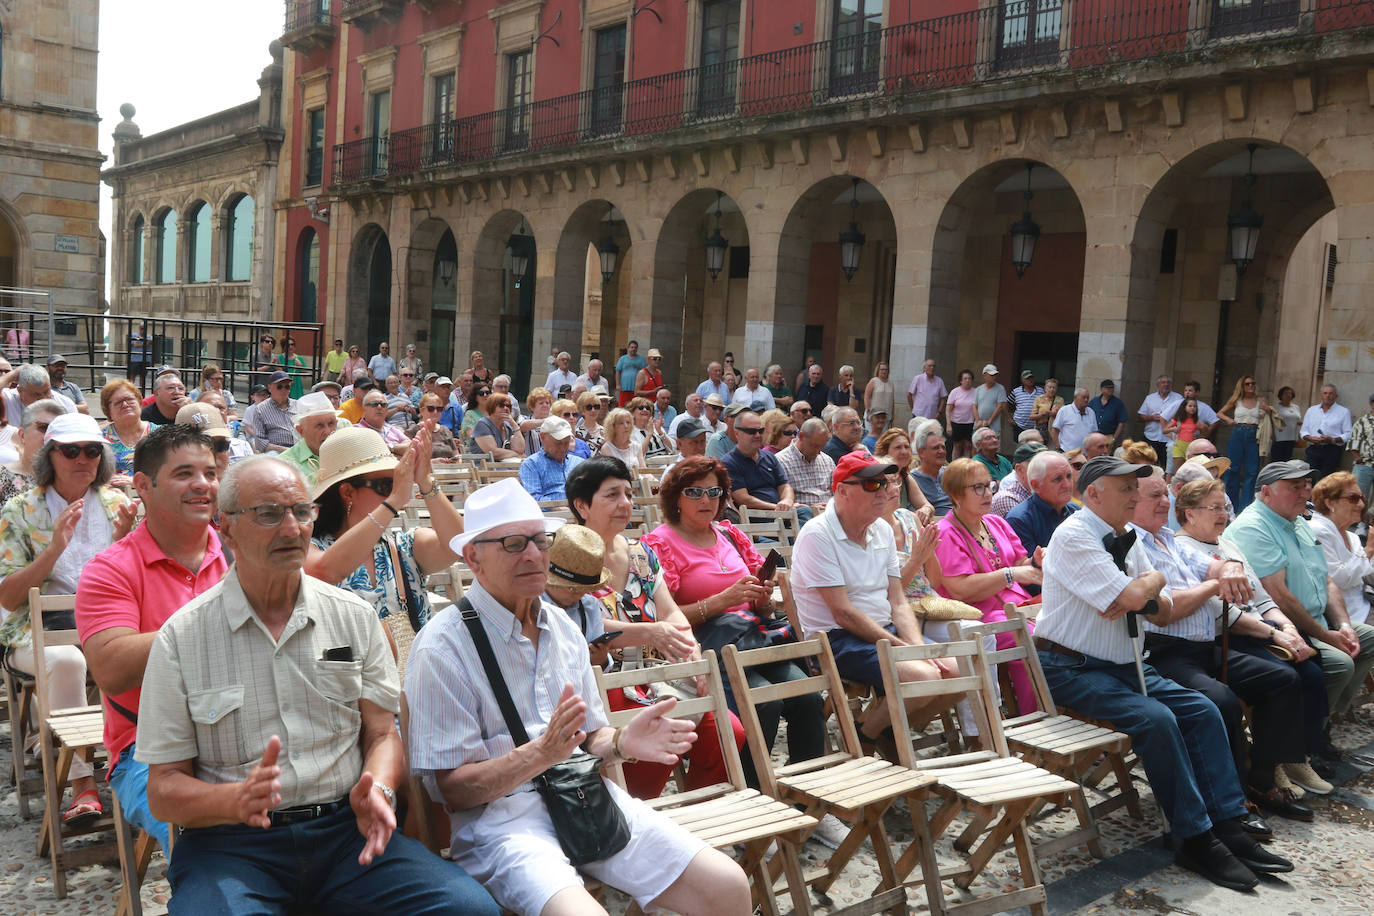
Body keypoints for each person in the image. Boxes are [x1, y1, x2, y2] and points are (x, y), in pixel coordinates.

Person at [135, 456, 495, 914]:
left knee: (467, 908)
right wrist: (233, 800)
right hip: (232, 846)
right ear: (225, 529)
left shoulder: (353, 616)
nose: (291, 529)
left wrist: (379, 785)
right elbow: (163, 789)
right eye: (268, 514)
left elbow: (383, 734)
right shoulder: (182, 638)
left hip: (347, 835)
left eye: (302, 512)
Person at [405, 475, 749, 916]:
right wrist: (541, 753)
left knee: (728, 885)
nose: (533, 554)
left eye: (539, 540)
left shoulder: (562, 626)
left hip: (583, 798)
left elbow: (593, 738)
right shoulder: (442, 646)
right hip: (503, 824)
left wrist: (622, 743)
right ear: (472, 556)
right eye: (513, 544)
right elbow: (454, 792)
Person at [1035, 456, 1291, 890]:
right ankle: (1193, 837)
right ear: (1093, 493)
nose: (1135, 495)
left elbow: (1162, 606)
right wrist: (1142, 589)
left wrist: (1144, 587)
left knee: (1203, 708)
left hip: (1122, 662)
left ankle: (1228, 823)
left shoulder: (1129, 536)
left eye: (1137, 487)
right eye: (1125, 488)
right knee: (1159, 719)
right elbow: (1142, 596)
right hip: (1068, 665)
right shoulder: (1074, 535)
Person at [641, 458, 838, 835]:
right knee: (765, 700)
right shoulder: (658, 544)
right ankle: (753, 803)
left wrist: (762, 596)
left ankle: (808, 802)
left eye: (714, 491)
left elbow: (760, 607)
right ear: (675, 498)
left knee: (808, 698)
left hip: (752, 635)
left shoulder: (730, 534)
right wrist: (721, 599)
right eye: (694, 491)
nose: (706, 499)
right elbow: (661, 618)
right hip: (704, 645)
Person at [76, 424, 227, 855]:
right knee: (219, 846)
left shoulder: (240, 553)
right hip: (150, 750)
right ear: (142, 485)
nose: (203, 485)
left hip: (246, 732)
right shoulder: (111, 569)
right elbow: (111, 668)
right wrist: (223, 614)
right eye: (184, 474)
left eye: (211, 473)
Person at [1131, 470, 1312, 821]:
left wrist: (1227, 567)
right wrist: (1215, 585)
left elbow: (1214, 565)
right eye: (1154, 496)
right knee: (1222, 701)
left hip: (1203, 647)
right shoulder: (1135, 546)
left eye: (1165, 494)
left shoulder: (1167, 538)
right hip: (1165, 651)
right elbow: (1167, 610)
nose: (1164, 502)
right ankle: (1231, 797)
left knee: (1283, 679)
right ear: (1132, 501)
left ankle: (1260, 778)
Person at [0, 413, 137, 827]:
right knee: (67, 661)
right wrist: (54, 549)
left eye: (93, 450)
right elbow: (7, 597)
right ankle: (82, 785)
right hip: (33, 632)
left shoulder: (117, 504)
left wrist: (122, 546)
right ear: (50, 456)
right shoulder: (21, 508)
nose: (83, 458)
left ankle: (147, 769)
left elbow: (136, 581)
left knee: (155, 651)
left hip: (102, 626)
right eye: (71, 450)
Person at [1173, 478, 1333, 798]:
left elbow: (1263, 600)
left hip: (1260, 629)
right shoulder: (1184, 549)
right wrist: (1277, 634)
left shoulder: (1227, 545)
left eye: (1226, 507)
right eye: (1215, 508)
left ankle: (1295, 757)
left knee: (1314, 673)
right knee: (1286, 678)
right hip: (1228, 637)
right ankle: (1272, 765)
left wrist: (1289, 631)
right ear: (1190, 514)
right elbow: (1224, 615)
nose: (1224, 515)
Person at [791, 453, 957, 752]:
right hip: (834, 640)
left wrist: (915, 647)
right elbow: (842, 613)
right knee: (924, 676)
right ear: (842, 490)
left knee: (958, 673)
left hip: (880, 628)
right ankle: (867, 738)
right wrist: (903, 649)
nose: (883, 491)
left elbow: (898, 601)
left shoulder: (879, 529)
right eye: (871, 484)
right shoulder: (817, 535)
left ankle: (877, 730)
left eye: (885, 482)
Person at [1218, 460, 1374, 739]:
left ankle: (1326, 718)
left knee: (1367, 638)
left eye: (1306, 485)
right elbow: (1278, 597)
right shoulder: (1254, 526)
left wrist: (1344, 625)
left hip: (1316, 618)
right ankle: (1306, 738)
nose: (1305, 493)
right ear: (1266, 492)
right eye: (1294, 487)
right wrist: (1326, 635)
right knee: (1340, 664)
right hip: (1281, 627)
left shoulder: (1298, 520)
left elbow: (1327, 580)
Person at [306, 425, 461, 630]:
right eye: (386, 485)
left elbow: (456, 545)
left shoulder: (404, 547)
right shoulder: (310, 548)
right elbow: (323, 572)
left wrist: (425, 482)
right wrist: (394, 500)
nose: (397, 490)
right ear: (348, 492)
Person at [934, 458, 1042, 714]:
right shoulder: (946, 532)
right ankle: (1034, 717)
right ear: (956, 495)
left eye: (989, 485)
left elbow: (1019, 563)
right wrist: (1010, 574)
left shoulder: (995, 522)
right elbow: (961, 589)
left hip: (1017, 604)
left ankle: (1067, 710)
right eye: (977, 488)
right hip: (979, 613)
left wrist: (1034, 561)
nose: (988, 493)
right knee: (1030, 637)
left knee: (1065, 627)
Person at [1308, 472, 1374, 627]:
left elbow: (1366, 574)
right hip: (1348, 617)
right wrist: (1369, 548)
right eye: (1353, 499)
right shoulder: (1317, 530)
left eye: (1362, 498)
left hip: (1365, 605)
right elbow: (1339, 579)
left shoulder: (1352, 537)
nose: (1361, 505)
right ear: (1330, 502)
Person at [721, 409, 800, 519]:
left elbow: (785, 485)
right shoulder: (729, 462)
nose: (757, 435)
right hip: (757, 520)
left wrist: (787, 501)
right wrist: (776, 507)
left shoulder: (769, 457)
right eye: (751, 432)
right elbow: (743, 499)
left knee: (805, 512)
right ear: (737, 433)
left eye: (761, 430)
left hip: (781, 514)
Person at [1007, 450, 1078, 557]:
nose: (1067, 485)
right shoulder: (1020, 520)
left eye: (1068, 476)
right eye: (1057, 479)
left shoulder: (1075, 511)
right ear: (1036, 486)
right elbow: (1033, 568)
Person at [1, 400, 63, 504]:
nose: (49, 437)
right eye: (43, 428)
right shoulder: (3, 477)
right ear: (22, 435)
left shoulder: (73, 478)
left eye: (58, 430)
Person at [275, 392, 339, 490]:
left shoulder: (347, 452)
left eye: (331, 423)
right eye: (319, 426)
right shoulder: (285, 465)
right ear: (301, 431)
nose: (328, 431)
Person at [776, 417, 837, 518]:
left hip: (829, 515)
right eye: (814, 446)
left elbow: (836, 493)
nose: (818, 452)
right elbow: (782, 500)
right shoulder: (781, 461)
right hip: (801, 517)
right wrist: (810, 508)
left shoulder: (827, 460)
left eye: (821, 447)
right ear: (801, 436)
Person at [520, 417, 585, 502]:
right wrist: (557, 508)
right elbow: (533, 498)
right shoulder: (531, 464)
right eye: (558, 443)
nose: (563, 448)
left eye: (566, 443)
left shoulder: (579, 463)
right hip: (550, 514)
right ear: (542, 437)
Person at [873, 427, 935, 516]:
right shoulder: (878, 477)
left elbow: (927, 505)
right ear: (885, 452)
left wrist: (925, 510)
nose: (904, 452)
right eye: (898, 447)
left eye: (906, 447)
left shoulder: (905, 477)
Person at [100, 378, 151, 481]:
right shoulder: (100, 438)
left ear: (139, 402)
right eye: (118, 402)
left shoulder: (159, 434)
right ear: (108, 410)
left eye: (129, 399)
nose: (125, 404)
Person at [1302, 384, 1352, 480]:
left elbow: (1348, 434)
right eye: (1325, 393)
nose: (1328, 396)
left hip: (1332, 450)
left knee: (1327, 481)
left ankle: (1324, 496)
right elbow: (1303, 431)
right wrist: (1310, 438)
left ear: (1336, 396)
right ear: (1321, 395)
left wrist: (1332, 440)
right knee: (1309, 479)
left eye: (1331, 393)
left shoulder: (1344, 412)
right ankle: (1310, 495)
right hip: (1313, 449)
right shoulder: (1311, 410)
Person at [1138, 374, 1183, 467]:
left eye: (1168, 382)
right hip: (1151, 436)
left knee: (1167, 465)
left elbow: (1183, 416)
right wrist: (1151, 418)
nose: (1166, 384)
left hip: (1169, 438)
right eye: (1163, 382)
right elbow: (1141, 416)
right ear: (1158, 385)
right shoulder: (1150, 398)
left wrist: (1170, 420)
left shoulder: (1178, 398)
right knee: (1149, 464)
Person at [991, 441, 1044, 517]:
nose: (1046, 469)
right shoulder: (1008, 498)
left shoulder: (1043, 491)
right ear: (1020, 470)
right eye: (1039, 465)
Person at [252, 371, 299, 454]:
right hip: (276, 452)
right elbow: (260, 442)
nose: (284, 390)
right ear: (270, 388)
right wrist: (287, 451)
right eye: (279, 387)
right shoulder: (260, 409)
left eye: (287, 387)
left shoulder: (298, 405)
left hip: (299, 449)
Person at [358, 389, 411, 455]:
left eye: (383, 404)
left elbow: (410, 446)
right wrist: (399, 450)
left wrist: (390, 447)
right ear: (364, 408)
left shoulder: (391, 429)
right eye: (374, 404)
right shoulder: (357, 430)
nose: (379, 407)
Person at [1347, 393, 1374, 507]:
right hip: (1365, 464)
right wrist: (1359, 460)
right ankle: (1358, 522)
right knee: (1359, 496)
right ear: (1372, 404)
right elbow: (1353, 443)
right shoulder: (1363, 421)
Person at [944, 368, 978, 460]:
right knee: (957, 446)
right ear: (961, 381)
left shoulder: (976, 392)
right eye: (965, 379)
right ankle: (954, 466)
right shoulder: (955, 392)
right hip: (956, 423)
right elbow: (948, 409)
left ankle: (965, 467)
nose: (967, 381)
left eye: (969, 378)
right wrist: (948, 425)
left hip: (970, 423)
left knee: (968, 446)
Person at [1052, 388, 1095, 452]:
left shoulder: (1091, 412)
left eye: (1087, 398)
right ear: (1075, 398)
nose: (1086, 400)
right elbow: (1055, 430)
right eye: (1083, 397)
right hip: (1067, 452)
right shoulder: (1064, 410)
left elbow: (1094, 433)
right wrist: (1058, 447)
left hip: (1085, 454)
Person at [630, 397, 673, 462]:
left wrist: (660, 431)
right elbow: (638, 457)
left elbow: (672, 449)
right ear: (632, 413)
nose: (645, 410)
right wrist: (649, 434)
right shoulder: (630, 432)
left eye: (648, 408)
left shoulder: (657, 427)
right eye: (641, 408)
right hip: (647, 468)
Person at [1087, 380, 1127, 444]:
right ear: (1101, 389)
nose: (1110, 390)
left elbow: (1121, 422)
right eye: (1108, 388)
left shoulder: (1118, 403)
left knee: (1105, 453)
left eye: (1112, 388)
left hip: (1108, 436)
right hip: (1094, 435)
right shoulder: (1094, 401)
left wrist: (1114, 438)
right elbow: (1087, 415)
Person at [1270, 386, 1302, 463]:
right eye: (1286, 393)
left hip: (1291, 438)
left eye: (1290, 393)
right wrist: (1272, 434)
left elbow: (1297, 419)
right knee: (1276, 462)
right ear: (1281, 395)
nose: (1288, 395)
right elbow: (1272, 421)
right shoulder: (1276, 407)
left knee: (1287, 462)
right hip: (1279, 438)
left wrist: (1299, 423)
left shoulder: (1296, 407)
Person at [1008, 370, 1042, 441]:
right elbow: (1007, 404)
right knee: (1019, 446)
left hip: (1036, 426)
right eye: (1027, 378)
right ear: (1022, 380)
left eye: (1031, 378)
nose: (1030, 380)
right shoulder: (1016, 391)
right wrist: (1010, 418)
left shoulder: (1041, 391)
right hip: (1019, 425)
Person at [1030, 377, 1063, 444]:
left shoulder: (1060, 400)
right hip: (1041, 430)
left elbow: (1063, 416)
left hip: (1054, 431)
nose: (1052, 389)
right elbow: (1031, 417)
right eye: (1050, 387)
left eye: (1054, 388)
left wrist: (1053, 414)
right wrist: (1041, 414)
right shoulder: (1039, 399)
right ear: (1045, 388)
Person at [615, 339, 646, 406]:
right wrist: (618, 384)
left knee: (635, 406)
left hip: (636, 389)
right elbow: (618, 371)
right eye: (632, 347)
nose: (633, 349)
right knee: (622, 406)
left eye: (635, 347)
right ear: (628, 348)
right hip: (624, 387)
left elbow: (645, 373)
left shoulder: (641, 359)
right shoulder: (622, 359)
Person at [459, 381, 492, 445]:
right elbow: (472, 436)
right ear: (475, 397)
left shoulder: (494, 413)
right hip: (476, 451)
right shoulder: (470, 415)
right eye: (481, 393)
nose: (485, 395)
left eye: (487, 393)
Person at [574, 390, 606, 454]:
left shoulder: (606, 431)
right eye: (589, 407)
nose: (593, 410)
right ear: (582, 410)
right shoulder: (577, 434)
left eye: (596, 407)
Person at [128, 323, 150, 393]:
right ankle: (129, 391)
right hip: (135, 359)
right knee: (132, 376)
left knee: (142, 376)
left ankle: (141, 392)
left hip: (145, 359)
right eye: (141, 329)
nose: (142, 331)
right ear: (139, 328)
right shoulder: (134, 335)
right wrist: (145, 343)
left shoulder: (149, 336)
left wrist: (141, 341)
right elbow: (135, 345)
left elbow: (150, 340)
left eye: (144, 329)